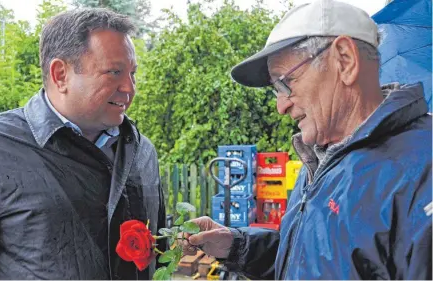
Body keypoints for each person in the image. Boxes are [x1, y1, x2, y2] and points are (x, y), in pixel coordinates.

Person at [183, 0, 432, 279]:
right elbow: (309, 257)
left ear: (345, 60)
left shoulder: (422, 173)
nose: (281, 106)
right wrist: (235, 245)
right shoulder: (320, 158)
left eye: (285, 82)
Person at [0, 8, 166, 280]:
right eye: (115, 72)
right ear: (60, 74)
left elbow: (159, 257)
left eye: (132, 73)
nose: (130, 88)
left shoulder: (143, 151)